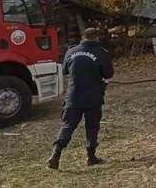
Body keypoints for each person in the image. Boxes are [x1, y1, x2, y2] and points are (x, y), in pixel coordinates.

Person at [47, 27, 113, 170]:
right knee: (92, 126)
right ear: (97, 38)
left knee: (67, 125)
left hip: (73, 96)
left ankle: (55, 154)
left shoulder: (71, 51)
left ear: (83, 37)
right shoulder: (101, 53)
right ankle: (91, 157)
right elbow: (108, 73)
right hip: (93, 96)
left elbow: (65, 71)